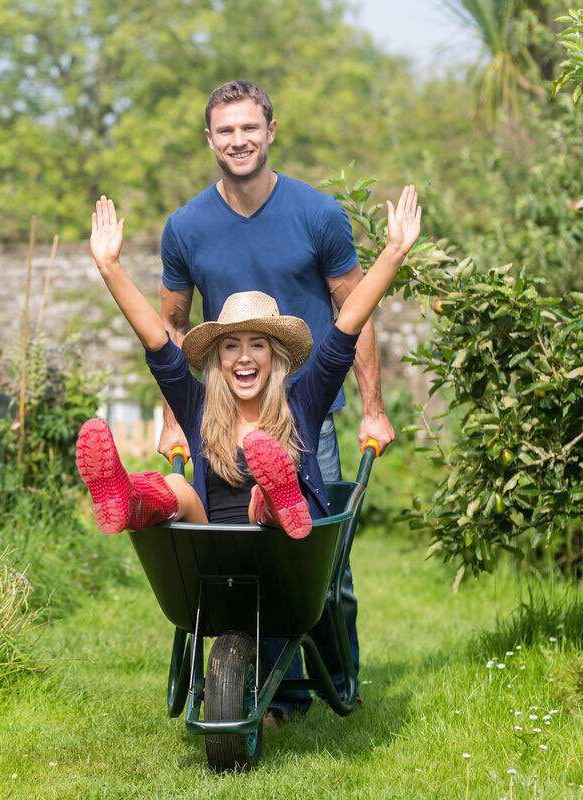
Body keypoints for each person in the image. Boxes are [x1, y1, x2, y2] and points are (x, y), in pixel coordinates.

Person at [75, 186, 420, 712]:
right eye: (231, 346)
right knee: (176, 488)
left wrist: (393, 253)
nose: (244, 357)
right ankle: (128, 499)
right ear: (216, 358)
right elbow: (157, 341)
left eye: (257, 344)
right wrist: (110, 267)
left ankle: (277, 498)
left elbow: (346, 327)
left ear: (277, 356)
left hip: (284, 556)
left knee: (267, 499)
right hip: (211, 553)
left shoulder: (302, 402)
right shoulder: (198, 406)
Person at [153, 79, 397, 717]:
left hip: (305, 416)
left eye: (249, 127)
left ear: (270, 131)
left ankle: (338, 680)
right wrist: (173, 418)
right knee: (236, 555)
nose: (239, 140)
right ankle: (277, 691)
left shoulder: (316, 214)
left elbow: (353, 311)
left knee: (322, 564)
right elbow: (172, 328)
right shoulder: (186, 227)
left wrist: (373, 408)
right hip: (222, 421)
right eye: (225, 130)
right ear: (210, 139)